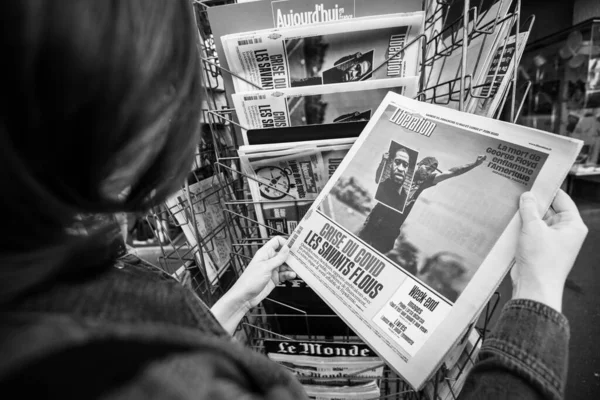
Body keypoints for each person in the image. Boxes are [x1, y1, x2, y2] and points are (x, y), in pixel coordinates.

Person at [0, 2, 588, 400]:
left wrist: (231, 304)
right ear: (120, 119)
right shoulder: (143, 372)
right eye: (173, 84)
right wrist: (537, 294)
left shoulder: (59, 297)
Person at [358, 148, 411, 253]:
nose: (401, 168)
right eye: (397, 162)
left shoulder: (405, 195)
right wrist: (383, 161)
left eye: (405, 164)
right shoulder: (384, 184)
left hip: (387, 233)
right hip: (374, 222)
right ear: (391, 164)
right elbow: (378, 179)